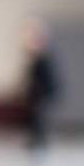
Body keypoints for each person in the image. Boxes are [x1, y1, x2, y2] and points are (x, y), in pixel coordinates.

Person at [20, 16, 60, 150]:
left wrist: (40, 94)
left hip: (42, 92)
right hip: (38, 92)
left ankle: (38, 140)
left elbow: (45, 80)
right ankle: (36, 139)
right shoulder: (38, 59)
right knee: (35, 117)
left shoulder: (43, 59)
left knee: (38, 117)